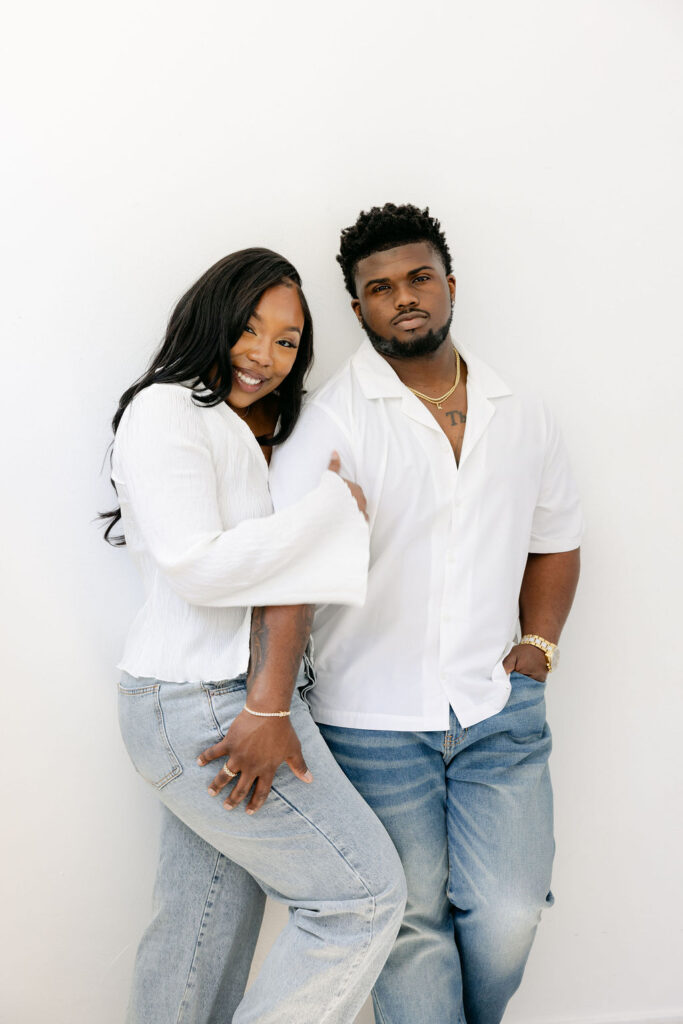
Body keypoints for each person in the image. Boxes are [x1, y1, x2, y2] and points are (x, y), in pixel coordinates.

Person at [267, 204, 583, 1024]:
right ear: (357, 307)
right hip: (370, 723)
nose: (402, 297)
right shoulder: (331, 420)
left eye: (417, 278)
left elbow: (555, 540)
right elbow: (287, 573)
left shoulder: (521, 411)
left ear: (448, 284)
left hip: (495, 709)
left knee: (509, 913)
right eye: (379, 288)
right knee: (410, 926)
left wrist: (538, 648)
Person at [102, 247, 406, 1024]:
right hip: (206, 702)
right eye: (249, 329)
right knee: (362, 899)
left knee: (199, 930)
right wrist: (333, 512)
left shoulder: (239, 426)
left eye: (286, 341)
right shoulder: (165, 410)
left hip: (213, 698)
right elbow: (196, 565)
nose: (263, 356)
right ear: (211, 316)